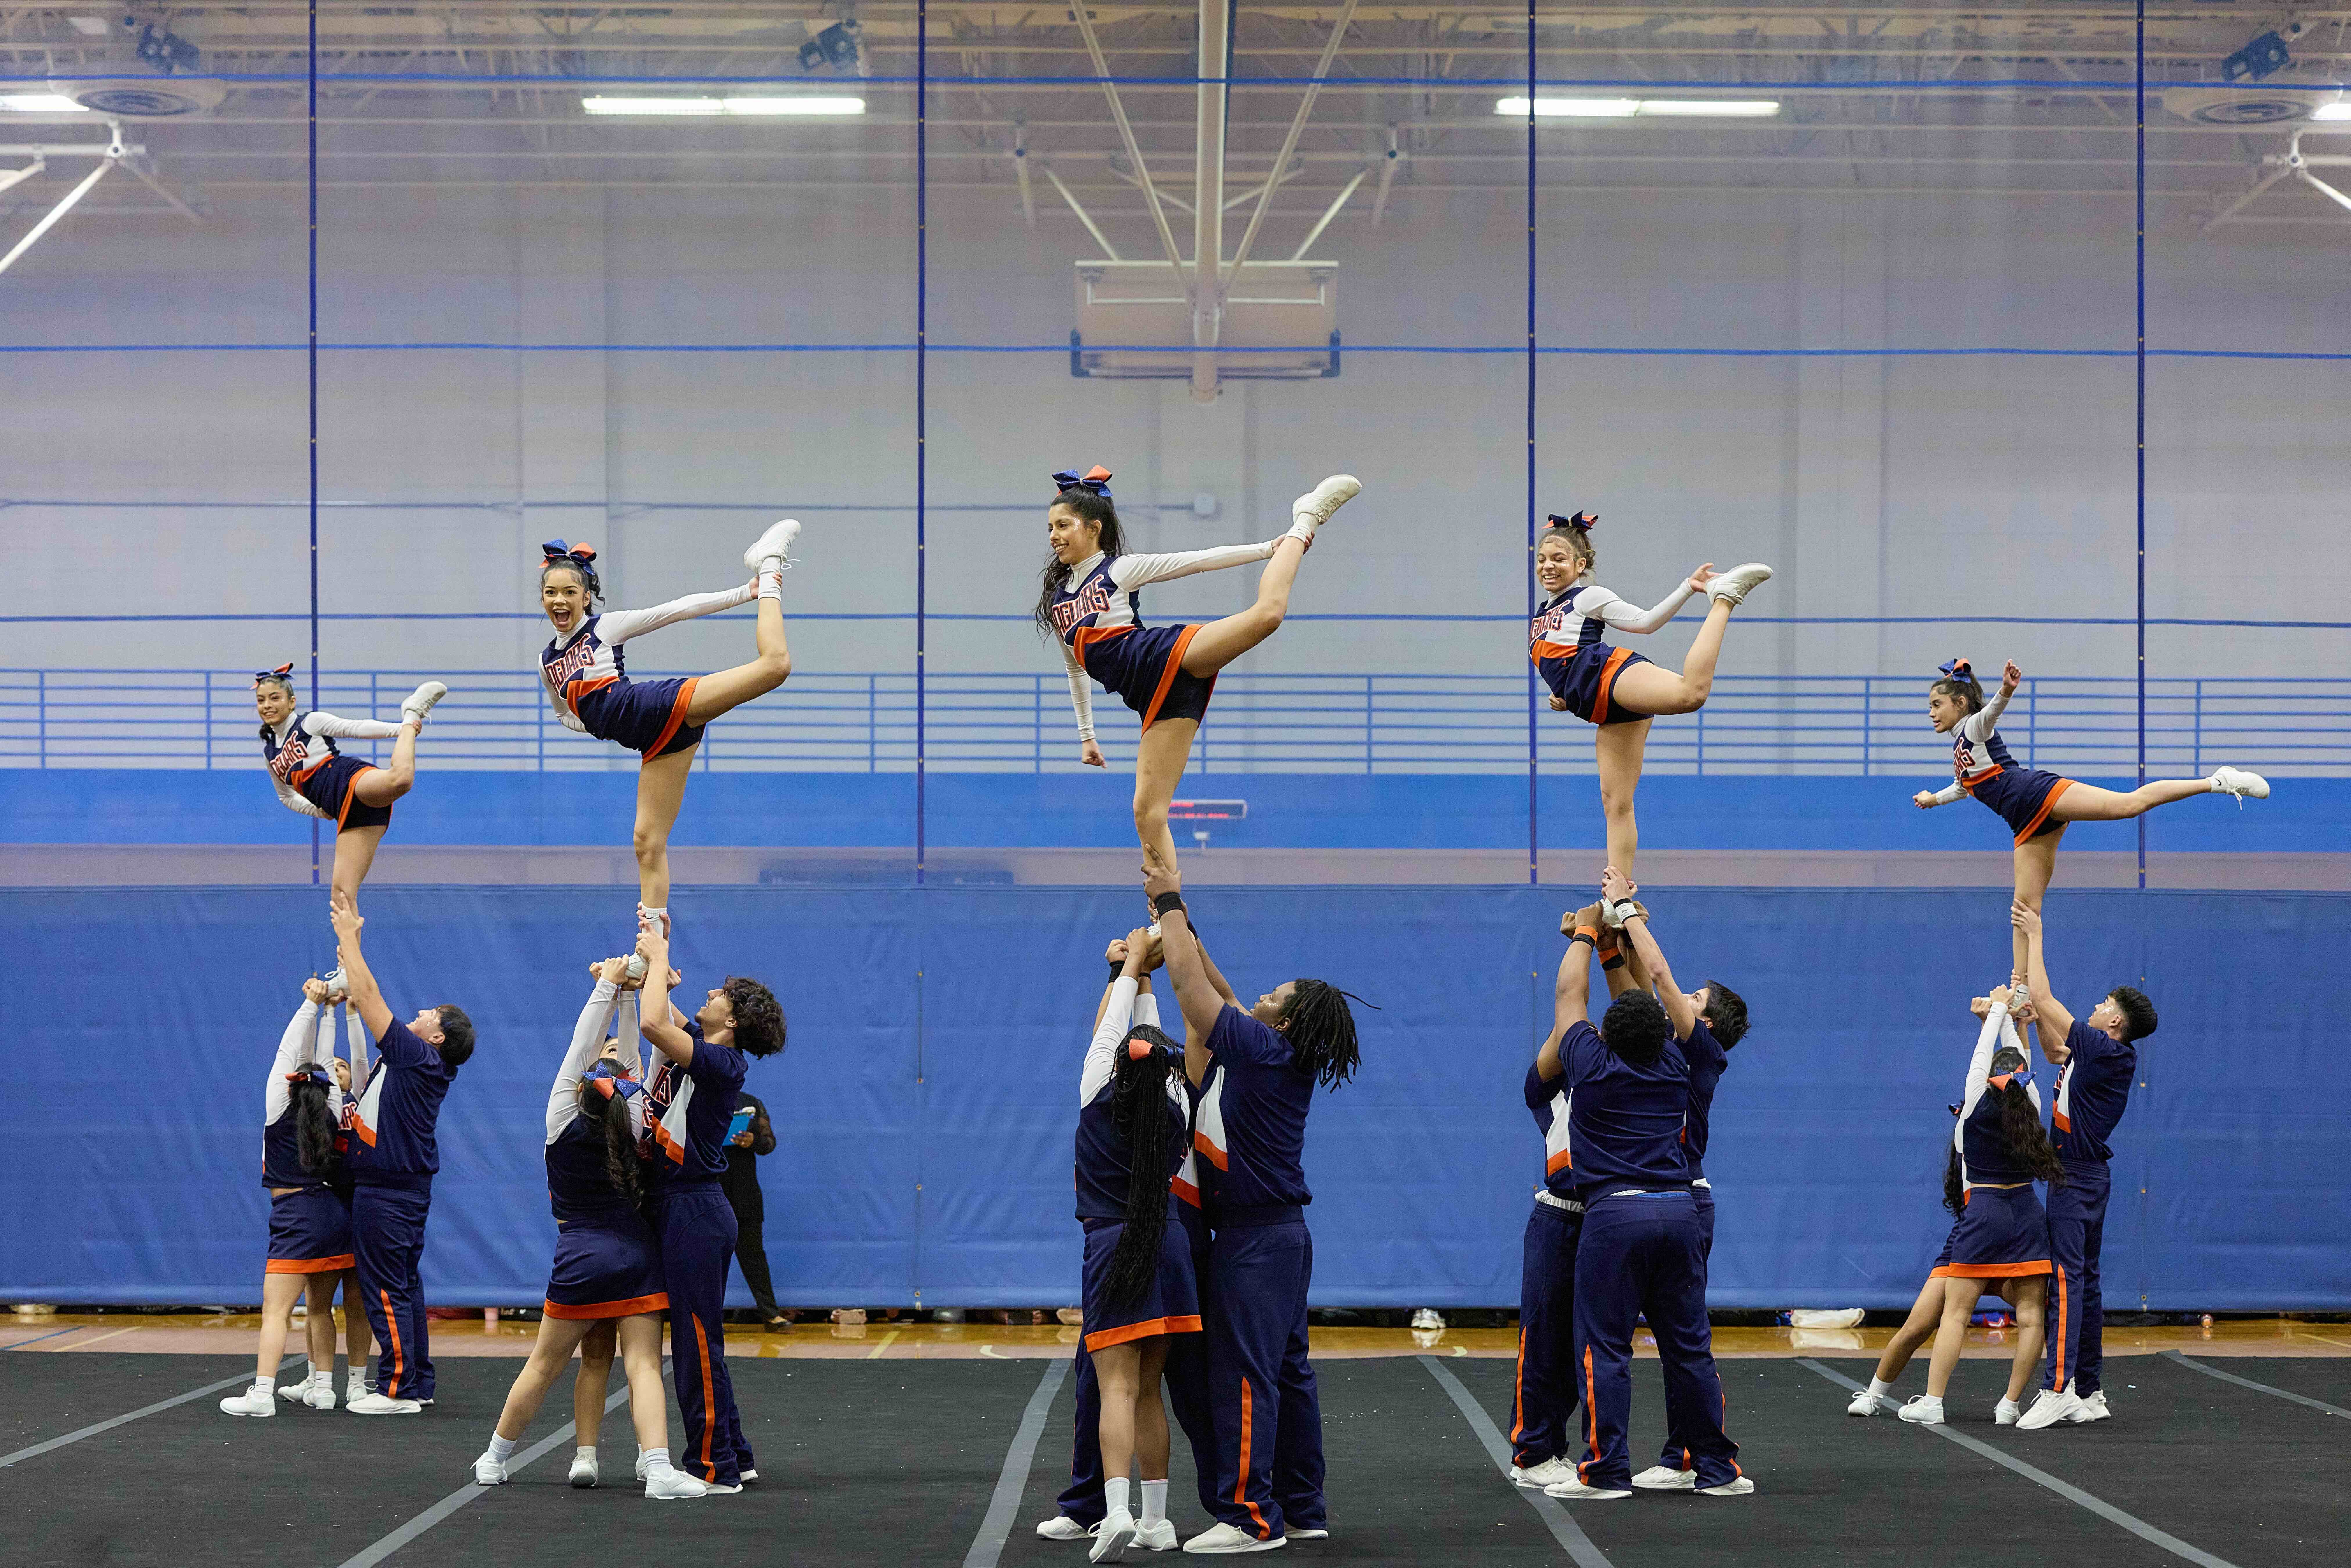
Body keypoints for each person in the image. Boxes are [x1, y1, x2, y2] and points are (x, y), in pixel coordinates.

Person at [1146, 863, 1363, 1553]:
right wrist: (1183, 926)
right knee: (1288, 1372)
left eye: (1273, 995)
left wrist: (1168, 902)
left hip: (1254, 1240)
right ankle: (1302, 1505)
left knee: (1242, 1372)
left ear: (1287, 1019)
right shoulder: (1270, 1050)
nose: (1257, 996)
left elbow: (1193, 991)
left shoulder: (1265, 1053)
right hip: (1279, 1237)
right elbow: (1219, 989)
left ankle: (1250, 1517)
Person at [1038, 465, 1359, 876]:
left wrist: (1267, 548)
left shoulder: (1117, 570)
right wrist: (1087, 737)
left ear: (1093, 528)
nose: (1054, 535)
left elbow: (1196, 562)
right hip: (1151, 698)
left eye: (1064, 525)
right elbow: (1075, 669)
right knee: (1147, 812)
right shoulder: (1059, 603)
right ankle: (1164, 914)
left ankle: (1306, 519)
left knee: (1267, 615)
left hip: (1161, 656)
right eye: (1050, 527)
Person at [1542, 872, 1746, 1502]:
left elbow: (1573, 997)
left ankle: (1604, 1470)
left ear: (1699, 1018)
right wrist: (1613, 934)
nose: (1677, 997)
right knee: (1688, 1345)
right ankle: (1714, 1466)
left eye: (1691, 998)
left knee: (1605, 1345)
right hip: (1679, 1208)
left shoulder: (1592, 1064)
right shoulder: (1686, 1062)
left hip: (1618, 1212)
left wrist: (1601, 918)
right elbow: (1643, 988)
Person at [473, 956, 707, 1499]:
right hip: (636, 1251)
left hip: (580, 1253)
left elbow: (585, 1046)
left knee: (545, 1363)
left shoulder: (560, 1116)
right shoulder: (631, 1117)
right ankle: (657, 1467)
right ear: (623, 1088)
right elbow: (628, 1061)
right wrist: (631, 994)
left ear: (579, 1085)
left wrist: (610, 985)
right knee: (644, 1364)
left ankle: (493, 1457)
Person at [1913, 656, 2267, 978]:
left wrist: (2006, 690)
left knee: (2128, 806)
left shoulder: (1975, 727)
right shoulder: (1960, 747)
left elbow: (1992, 712)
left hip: (2034, 794)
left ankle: (2218, 781)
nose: (1931, 713)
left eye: (1936, 705)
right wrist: (1934, 799)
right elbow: (1964, 786)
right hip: (2022, 822)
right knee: (2023, 910)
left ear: (1960, 703)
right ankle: (2019, 987)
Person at [1037, 936, 1220, 1552]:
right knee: (1147, 1388)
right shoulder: (1175, 1101)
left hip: (1114, 1244)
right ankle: (1157, 1518)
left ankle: (1113, 1509)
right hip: (1167, 1245)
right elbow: (1145, 1036)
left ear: (1115, 1062)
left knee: (1114, 1385)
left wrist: (1127, 966)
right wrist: (1145, 979)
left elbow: (1111, 1028)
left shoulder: (1097, 1090)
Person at [537, 524, 798, 932]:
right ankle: (653, 945)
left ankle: (768, 569)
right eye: (551, 592)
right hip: (655, 742)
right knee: (647, 842)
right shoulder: (547, 662)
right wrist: (594, 727)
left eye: (570, 591)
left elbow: (676, 610)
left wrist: (743, 593)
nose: (560, 599)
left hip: (654, 707)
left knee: (775, 666)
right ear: (543, 599)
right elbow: (564, 714)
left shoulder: (603, 628)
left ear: (586, 597)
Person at [1846, 985, 2061, 1427]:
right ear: (2025, 1082)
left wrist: (2000, 1006)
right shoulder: (2033, 1107)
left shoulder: (1973, 1113)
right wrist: (2008, 1021)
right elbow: (2017, 1065)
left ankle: (1931, 1400)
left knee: (1950, 1315)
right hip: (2023, 1216)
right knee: (2027, 1316)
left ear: (1983, 1087)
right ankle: (2009, 1405)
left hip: (1982, 1217)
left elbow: (1983, 1061)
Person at [1528, 512, 1772, 874]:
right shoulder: (1542, 613)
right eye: (1543, 560)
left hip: (1608, 674)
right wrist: (1562, 695)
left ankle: (1725, 599)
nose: (1549, 566)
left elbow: (1645, 623)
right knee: (1616, 803)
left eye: (1559, 559)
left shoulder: (1588, 595)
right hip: (1597, 705)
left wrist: (1689, 587)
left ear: (1580, 565)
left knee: (1691, 694)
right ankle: (1618, 893)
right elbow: (1558, 657)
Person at [634, 919, 787, 1491]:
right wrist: (657, 960)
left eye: (717, 993)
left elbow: (652, 1022)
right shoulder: (705, 1050)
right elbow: (665, 1014)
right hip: (686, 1208)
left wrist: (657, 956)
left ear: (733, 1020)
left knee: (697, 1341)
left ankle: (714, 1466)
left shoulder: (724, 1064)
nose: (707, 995)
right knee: (703, 1341)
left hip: (695, 1210)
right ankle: (736, 1451)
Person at [2009, 900, 2156, 1430]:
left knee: (2067, 1282)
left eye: (2101, 1004)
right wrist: (2028, 1010)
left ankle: (2058, 1387)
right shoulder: (2095, 1054)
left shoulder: (2109, 1051)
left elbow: (2050, 1000)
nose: (2094, 1007)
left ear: (2113, 1021)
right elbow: (2054, 1050)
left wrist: (2035, 934)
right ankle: (2090, 1391)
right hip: (2082, 1175)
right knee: (2086, 1281)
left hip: (2076, 1177)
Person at [329, 896, 474, 1414]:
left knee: (387, 1286)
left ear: (436, 1037)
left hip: (389, 1192)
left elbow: (371, 1000)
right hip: (403, 1190)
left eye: (429, 1014)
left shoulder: (418, 1059)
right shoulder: (412, 1062)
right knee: (405, 1284)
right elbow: (362, 1006)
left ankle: (395, 1387)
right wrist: (348, 967)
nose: (419, 1012)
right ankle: (416, 1382)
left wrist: (351, 935)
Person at [220, 975, 369, 1417]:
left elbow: (290, 1052)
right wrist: (328, 1013)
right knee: (321, 1307)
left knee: (277, 1313)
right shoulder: (333, 1105)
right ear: (325, 1088)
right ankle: (324, 1386)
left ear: (288, 1086)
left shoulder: (278, 1106)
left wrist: (313, 1003)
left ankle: (262, 1394)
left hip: (295, 1214)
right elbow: (323, 1059)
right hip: (334, 1214)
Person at [1505, 909, 1610, 1488]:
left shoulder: (1617, 1073)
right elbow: (1565, 1016)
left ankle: (1584, 1449)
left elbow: (1576, 1008)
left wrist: (1594, 936)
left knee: (1589, 1346)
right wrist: (1593, 939)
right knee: (1543, 1340)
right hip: (1557, 1218)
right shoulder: (1563, 1082)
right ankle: (1532, 1450)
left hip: (1602, 1220)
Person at [253, 665, 446, 912]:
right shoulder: (270, 754)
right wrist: (319, 811)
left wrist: (400, 729)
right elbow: (286, 796)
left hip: (347, 781)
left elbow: (355, 728)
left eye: (275, 698)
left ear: (292, 702)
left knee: (401, 780)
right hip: (344, 811)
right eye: (261, 700)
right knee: (341, 898)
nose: (267, 705)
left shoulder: (309, 722)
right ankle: (350, 951)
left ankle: (411, 714)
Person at [721, 1086, 784, 1330]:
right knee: (710, 1260)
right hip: (711, 1191)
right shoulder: (697, 1096)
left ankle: (770, 1314)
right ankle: (709, 1317)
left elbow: (769, 1142)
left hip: (745, 1192)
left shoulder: (751, 1103)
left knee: (754, 1256)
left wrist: (753, 1141)